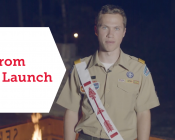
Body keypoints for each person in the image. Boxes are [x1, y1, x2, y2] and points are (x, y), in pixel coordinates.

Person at [56, 4, 160, 140]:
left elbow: (143, 113)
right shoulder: (80, 69)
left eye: (116, 28)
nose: (110, 34)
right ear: (96, 30)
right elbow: (71, 111)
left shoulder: (139, 70)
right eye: (104, 27)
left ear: (124, 32)